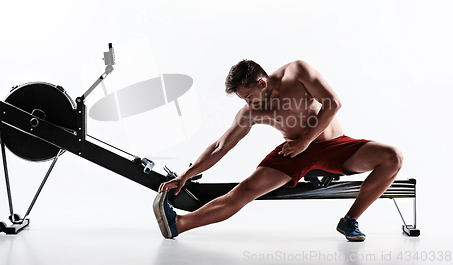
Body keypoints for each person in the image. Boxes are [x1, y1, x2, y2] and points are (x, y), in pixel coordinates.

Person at [153, 60, 403, 241]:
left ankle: (349, 221)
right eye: (243, 100)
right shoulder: (251, 111)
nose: (247, 103)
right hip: (293, 152)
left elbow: (333, 103)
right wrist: (185, 176)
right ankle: (179, 224)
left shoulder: (297, 73)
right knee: (245, 190)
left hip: (332, 146)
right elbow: (221, 146)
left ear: (262, 82)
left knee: (392, 157)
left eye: (249, 96)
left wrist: (306, 140)